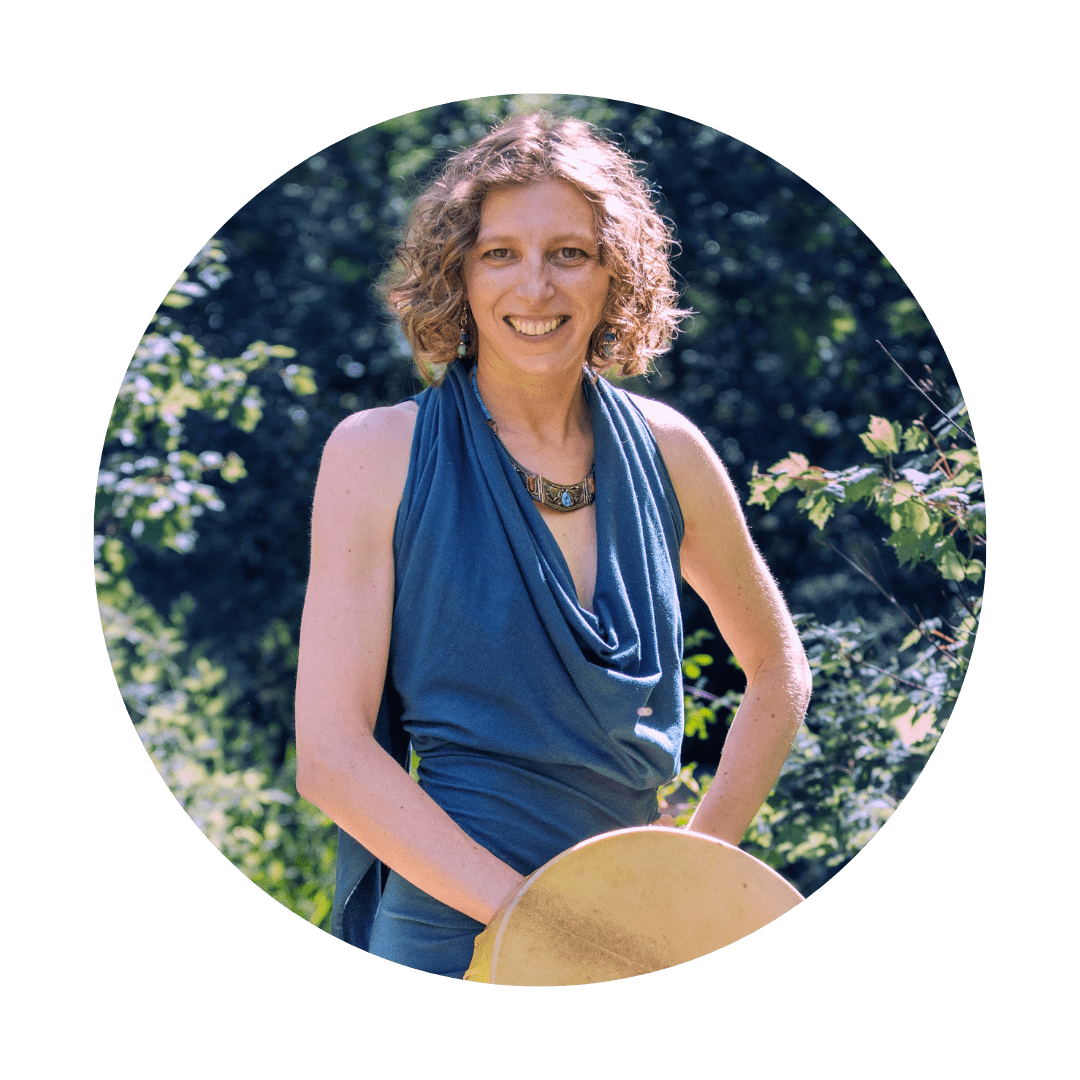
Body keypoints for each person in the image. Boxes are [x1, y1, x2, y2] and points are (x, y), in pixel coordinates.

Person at [294, 112, 812, 979]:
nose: (534, 288)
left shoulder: (671, 451)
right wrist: (534, 920)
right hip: (454, 932)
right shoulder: (375, 454)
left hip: (640, 939)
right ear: (457, 274)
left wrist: (692, 875)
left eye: (569, 252)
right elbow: (332, 758)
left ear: (618, 273)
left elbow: (778, 670)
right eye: (500, 253)